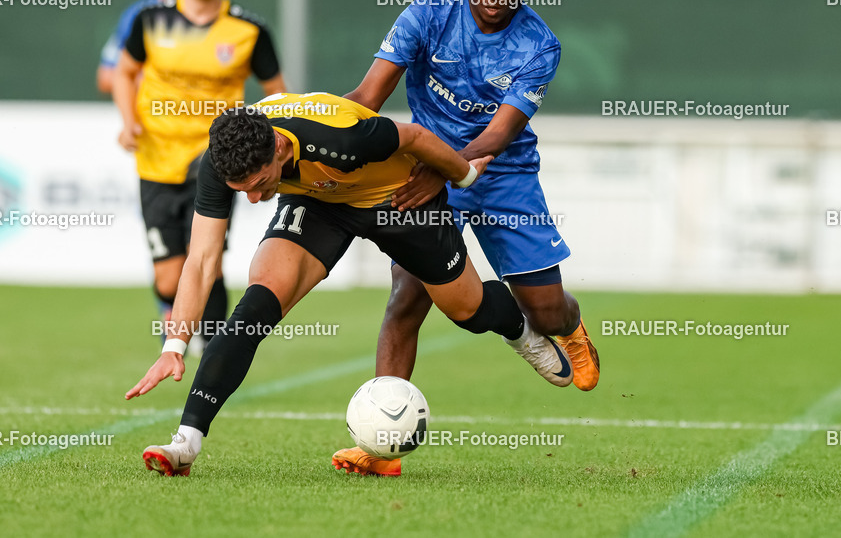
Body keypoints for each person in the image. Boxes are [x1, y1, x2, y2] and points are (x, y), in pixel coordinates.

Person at [124, 92, 580, 477]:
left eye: (260, 185)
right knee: (254, 309)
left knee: (469, 311)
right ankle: (186, 442)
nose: (254, 199)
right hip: (319, 203)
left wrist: (464, 176)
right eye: (240, 189)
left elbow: (417, 138)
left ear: (280, 147)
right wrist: (174, 346)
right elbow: (201, 260)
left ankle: (521, 332)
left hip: (398, 197)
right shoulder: (225, 157)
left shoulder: (343, 136)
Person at [334, 0, 600, 474]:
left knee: (544, 309)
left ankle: (570, 330)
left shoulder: (538, 43)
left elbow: (500, 134)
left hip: (505, 176)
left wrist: (447, 172)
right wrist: (321, 131)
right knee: (407, 298)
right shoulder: (427, 14)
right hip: (426, 169)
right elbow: (366, 96)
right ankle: (380, 446)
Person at [112, 0, 285, 348]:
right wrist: (127, 119)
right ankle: (175, 324)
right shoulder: (150, 20)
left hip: (215, 160)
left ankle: (210, 349)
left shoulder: (248, 29)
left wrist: (271, 143)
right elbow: (124, 71)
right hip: (156, 159)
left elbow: (277, 94)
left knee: (206, 259)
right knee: (169, 275)